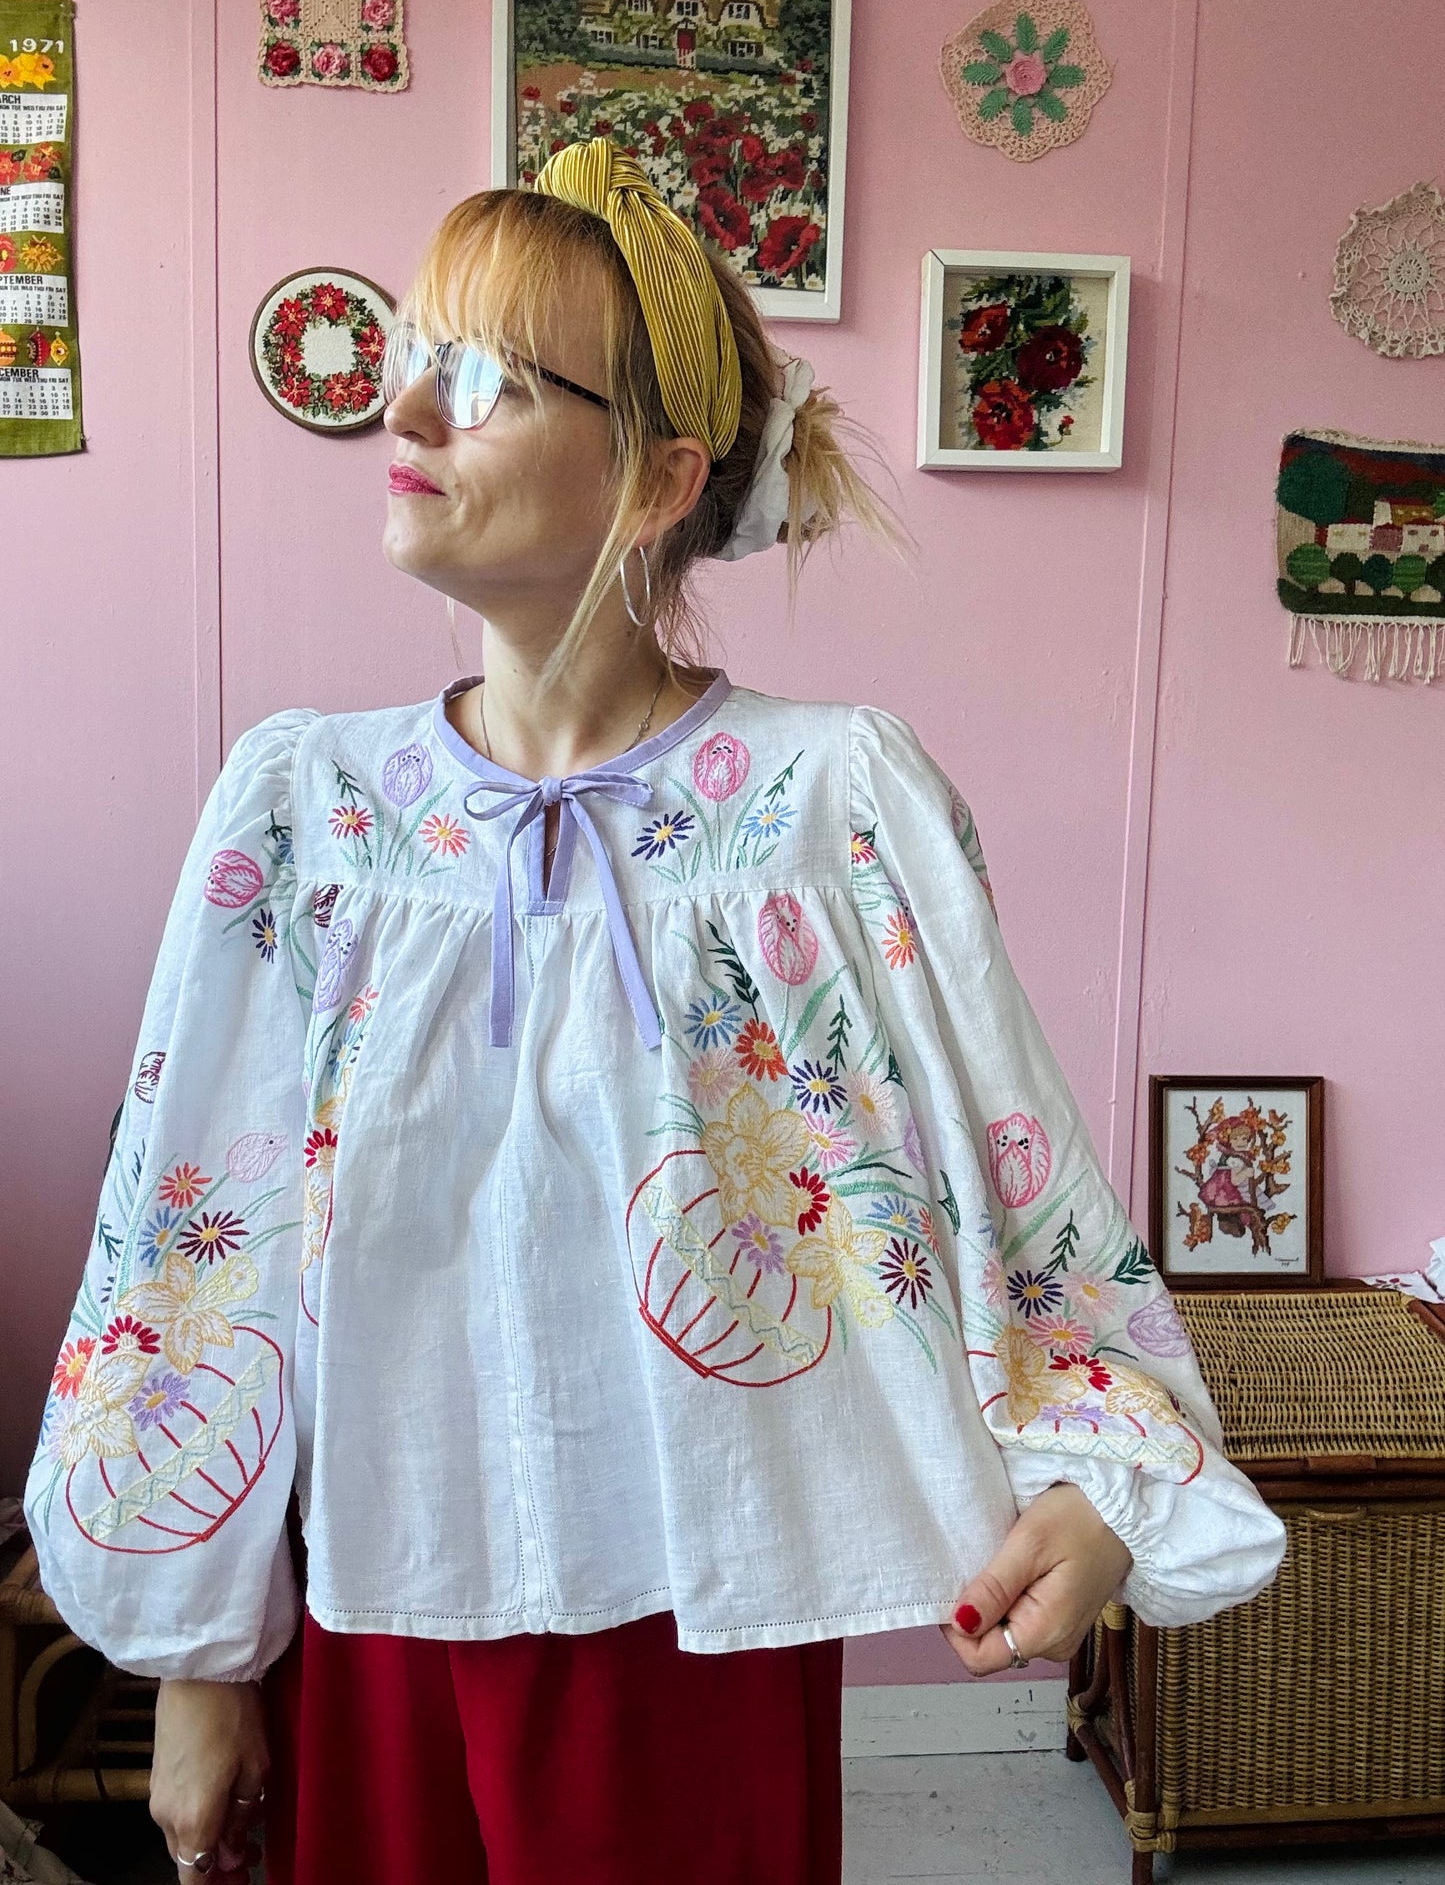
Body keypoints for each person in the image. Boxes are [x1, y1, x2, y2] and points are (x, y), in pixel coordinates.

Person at [22, 138, 1287, 1884]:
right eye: (408, 348)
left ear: (652, 473)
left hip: (716, 1594)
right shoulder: (304, 813)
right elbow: (195, 1237)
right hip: (378, 1591)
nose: (403, 401)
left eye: (476, 375)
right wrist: (193, 1658)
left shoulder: (828, 802)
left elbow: (1003, 1167)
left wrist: (1100, 1482)